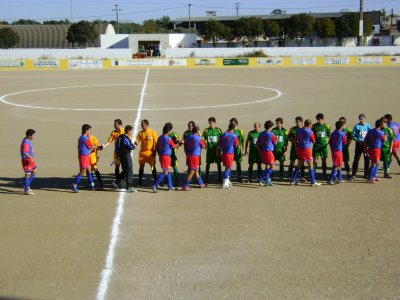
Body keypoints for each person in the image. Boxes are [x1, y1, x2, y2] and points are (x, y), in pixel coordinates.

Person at [291, 119, 321, 187]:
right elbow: (313, 141)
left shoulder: (298, 130)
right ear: (310, 125)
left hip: (299, 149)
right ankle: (313, 182)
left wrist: (296, 147)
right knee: (311, 166)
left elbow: (295, 140)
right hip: (307, 150)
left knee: (298, 165)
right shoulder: (310, 132)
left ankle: (293, 180)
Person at [152, 124, 178, 192]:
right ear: (168, 131)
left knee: (168, 171)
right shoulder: (168, 138)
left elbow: (157, 148)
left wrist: (160, 154)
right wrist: (179, 143)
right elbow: (174, 146)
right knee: (165, 172)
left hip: (162, 156)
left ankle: (170, 186)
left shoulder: (160, 137)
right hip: (166, 157)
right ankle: (154, 185)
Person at [72, 124, 97, 193]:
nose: (90, 132)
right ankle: (74, 185)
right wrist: (98, 146)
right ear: (86, 130)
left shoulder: (81, 137)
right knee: (82, 172)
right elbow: (90, 146)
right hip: (84, 156)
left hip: (85, 155)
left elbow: (79, 146)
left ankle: (92, 185)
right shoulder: (85, 138)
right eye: (89, 130)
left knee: (89, 170)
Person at [134, 119, 158, 187]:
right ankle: (140, 181)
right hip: (142, 153)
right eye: (141, 125)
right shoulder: (140, 133)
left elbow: (156, 143)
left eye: (143, 125)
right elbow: (136, 141)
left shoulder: (152, 132)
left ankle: (155, 181)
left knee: (152, 167)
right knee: (141, 167)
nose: (142, 126)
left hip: (150, 153)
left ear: (147, 125)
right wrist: (134, 145)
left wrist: (155, 150)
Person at [182, 124, 206, 191]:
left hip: (189, 155)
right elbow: (204, 146)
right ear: (198, 130)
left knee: (196, 170)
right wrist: (205, 142)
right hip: (195, 156)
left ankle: (201, 184)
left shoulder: (188, 137)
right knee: (192, 171)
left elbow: (185, 145)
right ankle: (185, 185)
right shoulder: (199, 138)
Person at [115, 125, 137, 192]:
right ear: (129, 131)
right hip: (126, 156)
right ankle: (128, 187)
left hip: (121, 156)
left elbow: (116, 146)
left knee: (124, 170)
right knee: (129, 170)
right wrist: (133, 147)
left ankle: (116, 182)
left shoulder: (120, 137)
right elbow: (130, 146)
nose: (131, 132)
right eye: (131, 131)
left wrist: (118, 154)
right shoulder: (125, 138)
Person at [256, 120, 277, 186]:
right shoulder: (271, 134)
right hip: (269, 152)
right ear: (270, 127)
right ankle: (261, 178)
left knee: (267, 166)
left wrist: (260, 151)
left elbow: (257, 143)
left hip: (263, 152)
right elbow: (275, 143)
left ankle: (267, 181)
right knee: (272, 167)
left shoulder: (261, 133)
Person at [351, 114, 372, 180]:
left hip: (366, 144)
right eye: (360, 119)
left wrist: (368, 142)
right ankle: (353, 174)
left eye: (362, 119)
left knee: (367, 159)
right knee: (357, 158)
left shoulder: (368, 126)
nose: (360, 120)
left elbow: (371, 134)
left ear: (365, 119)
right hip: (359, 144)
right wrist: (358, 141)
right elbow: (353, 136)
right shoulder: (357, 126)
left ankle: (366, 174)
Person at [364, 119, 385, 183]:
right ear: (381, 125)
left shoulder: (370, 131)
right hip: (376, 149)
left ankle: (373, 176)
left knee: (376, 163)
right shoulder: (381, 132)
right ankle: (369, 178)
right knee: (373, 164)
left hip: (370, 149)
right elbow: (383, 140)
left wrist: (365, 149)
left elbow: (365, 140)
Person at [219, 122, 239, 189]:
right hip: (230, 154)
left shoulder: (223, 134)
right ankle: (225, 183)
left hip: (224, 153)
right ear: (233, 128)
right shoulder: (234, 136)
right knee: (228, 168)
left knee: (227, 167)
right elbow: (236, 145)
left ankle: (227, 180)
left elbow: (219, 143)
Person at [203, 117, 223, 183]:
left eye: (211, 123)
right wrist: (205, 143)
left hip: (217, 150)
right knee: (208, 164)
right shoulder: (206, 130)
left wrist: (220, 150)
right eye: (209, 123)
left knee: (218, 163)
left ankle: (220, 177)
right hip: (209, 151)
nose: (210, 124)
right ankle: (206, 177)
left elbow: (221, 140)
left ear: (215, 123)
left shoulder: (219, 130)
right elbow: (203, 139)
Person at [327, 120, 347, 185]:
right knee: (336, 166)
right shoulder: (342, 134)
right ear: (341, 127)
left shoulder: (333, 133)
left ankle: (340, 178)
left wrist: (332, 149)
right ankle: (330, 179)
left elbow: (329, 142)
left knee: (339, 165)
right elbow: (345, 142)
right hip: (338, 151)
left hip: (334, 151)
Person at [312, 113, 331, 178]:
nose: (317, 121)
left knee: (324, 160)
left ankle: (324, 174)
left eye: (319, 119)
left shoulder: (327, 126)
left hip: (323, 146)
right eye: (317, 119)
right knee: (315, 160)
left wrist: (325, 141)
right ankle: (313, 174)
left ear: (322, 119)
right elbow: (312, 134)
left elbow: (328, 134)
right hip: (316, 146)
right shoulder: (314, 126)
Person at [21, 129, 37, 195]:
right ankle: (26, 190)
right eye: (33, 135)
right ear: (29, 136)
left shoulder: (27, 140)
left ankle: (26, 186)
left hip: (30, 160)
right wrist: (30, 157)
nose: (34, 136)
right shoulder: (26, 142)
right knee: (27, 175)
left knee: (34, 172)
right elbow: (25, 152)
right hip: (27, 160)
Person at [166, 122, 182, 187]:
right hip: (167, 154)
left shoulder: (174, 135)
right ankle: (167, 182)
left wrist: (175, 149)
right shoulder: (166, 134)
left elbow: (179, 143)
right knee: (166, 168)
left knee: (174, 167)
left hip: (172, 154)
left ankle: (176, 181)